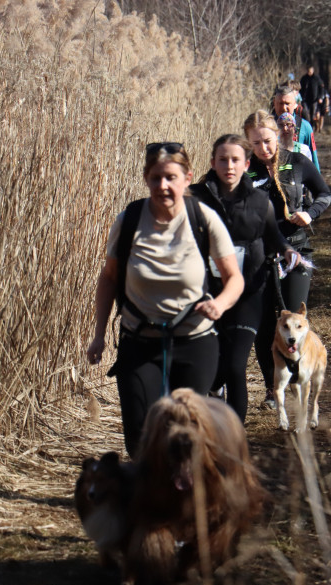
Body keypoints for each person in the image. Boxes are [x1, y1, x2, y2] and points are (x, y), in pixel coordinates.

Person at [87, 143, 244, 454]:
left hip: (194, 343)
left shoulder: (203, 219)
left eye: (171, 177)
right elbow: (108, 278)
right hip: (139, 342)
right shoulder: (130, 220)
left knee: (184, 436)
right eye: (156, 178)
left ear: (187, 178)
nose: (163, 186)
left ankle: (186, 496)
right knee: (141, 436)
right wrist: (99, 335)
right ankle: (150, 498)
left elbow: (234, 279)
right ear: (146, 179)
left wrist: (220, 303)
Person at [190, 135, 298, 422]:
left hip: (248, 293)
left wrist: (288, 251)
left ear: (246, 164)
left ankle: (233, 438)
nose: (229, 165)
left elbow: (274, 238)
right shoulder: (195, 199)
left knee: (236, 367)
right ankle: (213, 391)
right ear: (212, 162)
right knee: (212, 366)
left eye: (235, 159)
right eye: (222, 159)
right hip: (206, 294)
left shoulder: (260, 202)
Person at [243, 111, 331, 410]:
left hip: (296, 252)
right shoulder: (244, 169)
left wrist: (310, 213)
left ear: (277, 136)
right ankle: (272, 388)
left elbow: (324, 193)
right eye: (255, 144)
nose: (263, 149)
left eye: (267, 141)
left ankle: (299, 378)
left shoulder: (297, 162)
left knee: (293, 319)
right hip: (260, 256)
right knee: (267, 323)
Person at [272, 84, 319, 172]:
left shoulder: (305, 127)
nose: (284, 108)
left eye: (287, 104)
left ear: (294, 104)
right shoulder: (268, 126)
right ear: (274, 103)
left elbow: (314, 159)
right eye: (280, 103)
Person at [299, 66, 326, 133]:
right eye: (308, 71)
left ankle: (312, 127)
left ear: (313, 71)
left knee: (313, 114)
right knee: (305, 113)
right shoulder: (304, 78)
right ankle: (307, 127)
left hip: (314, 100)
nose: (309, 72)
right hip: (305, 100)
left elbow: (322, 88)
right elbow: (299, 88)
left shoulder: (317, 79)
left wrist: (320, 97)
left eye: (310, 71)